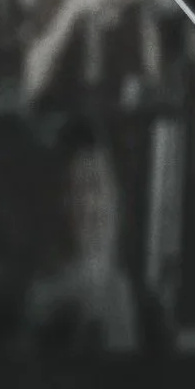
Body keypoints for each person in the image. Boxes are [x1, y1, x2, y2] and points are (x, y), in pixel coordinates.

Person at [17, 136, 144, 355]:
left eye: (94, 186)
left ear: (115, 198)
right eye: (72, 189)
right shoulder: (40, 296)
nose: (84, 203)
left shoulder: (139, 299)